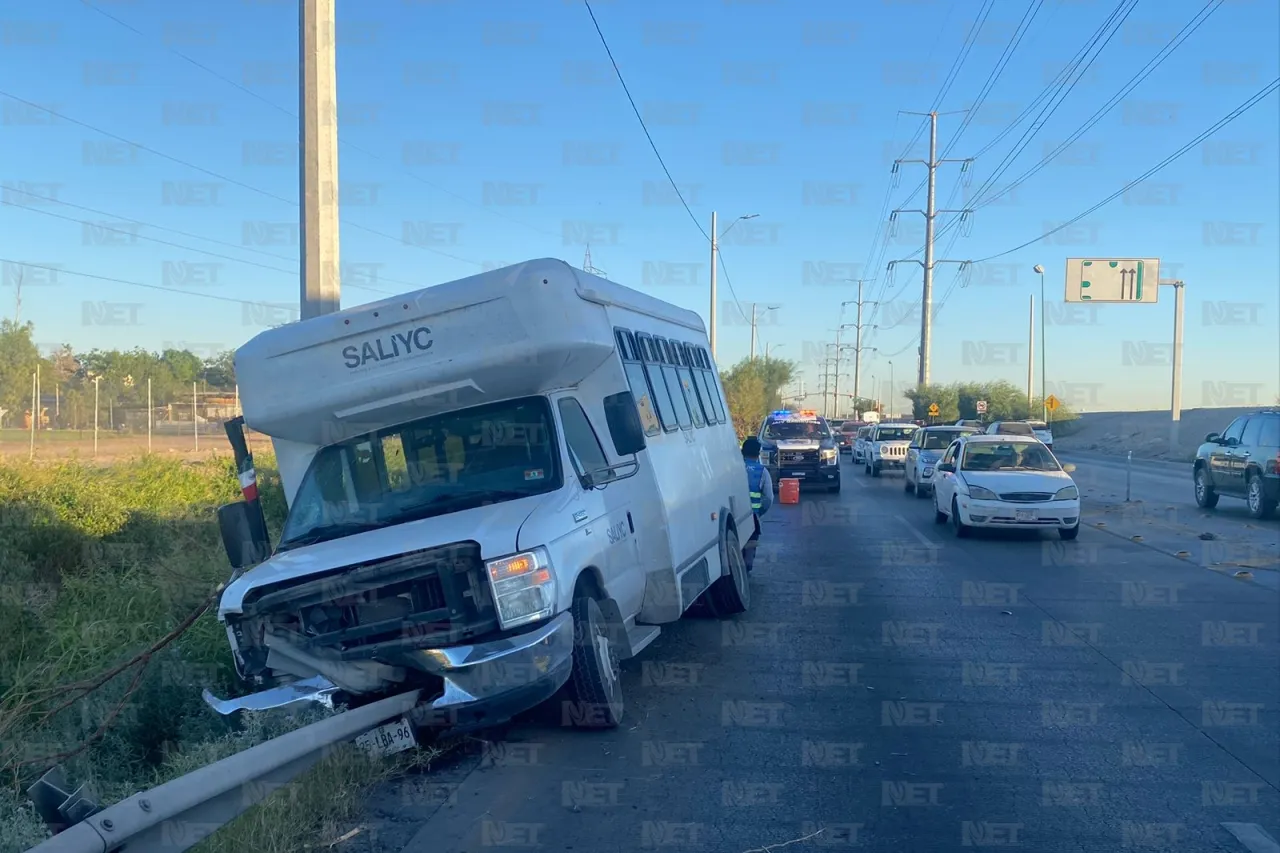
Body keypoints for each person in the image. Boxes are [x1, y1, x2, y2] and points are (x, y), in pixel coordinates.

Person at [740, 437, 773, 572]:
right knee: (750, 544)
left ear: (742, 452)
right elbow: (769, 498)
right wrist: (759, 511)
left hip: (734, 514)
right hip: (752, 516)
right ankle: (747, 569)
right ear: (758, 453)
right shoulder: (762, 471)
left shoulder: (732, 468)